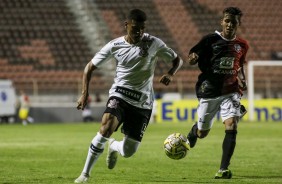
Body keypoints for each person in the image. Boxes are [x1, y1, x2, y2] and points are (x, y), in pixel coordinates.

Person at [74, 9, 183, 183]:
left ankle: (114, 146)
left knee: (129, 151)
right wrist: (84, 94)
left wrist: (171, 73)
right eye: (134, 28)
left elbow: (178, 60)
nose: (139, 32)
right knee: (106, 128)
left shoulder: (154, 43)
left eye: (142, 28)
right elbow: (89, 68)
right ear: (126, 25)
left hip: (143, 102)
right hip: (120, 94)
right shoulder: (114, 45)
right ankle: (85, 174)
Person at [185, 7, 249, 179]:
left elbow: (240, 65)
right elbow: (192, 54)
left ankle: (223, 169)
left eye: (233, 22)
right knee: (202, 133)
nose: (229, 25)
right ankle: (194, 131)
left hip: (231, 90)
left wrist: (242, 78)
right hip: (209, 90)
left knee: (231, 124)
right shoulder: (210, 40)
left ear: (238, 24)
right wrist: (192, 58)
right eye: (227, 21)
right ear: (222, 22)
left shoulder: (242, 45)